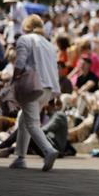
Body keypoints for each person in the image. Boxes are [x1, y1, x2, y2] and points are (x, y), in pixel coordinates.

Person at [9, 15, 61, 171]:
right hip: (48, 89)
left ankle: (48, 150)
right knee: (24, 119)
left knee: (31, 123)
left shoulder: (25, 39)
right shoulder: (49, 44)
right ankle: (20, 157)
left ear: (26, 26)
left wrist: (13, 80)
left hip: (32, 86)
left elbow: (20, 63)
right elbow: (54, 69)